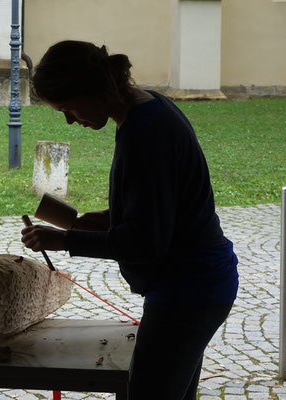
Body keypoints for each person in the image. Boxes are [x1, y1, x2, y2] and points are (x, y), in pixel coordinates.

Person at [20, 40, 239, 400]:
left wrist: (65, 240)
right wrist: (110, 219)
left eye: (68, 106)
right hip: (198, 285)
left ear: (92, 88)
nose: (70, 120)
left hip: (188, 293)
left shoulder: (144, 133)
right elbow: (165, 204)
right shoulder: (147, 106)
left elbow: (145, 243)